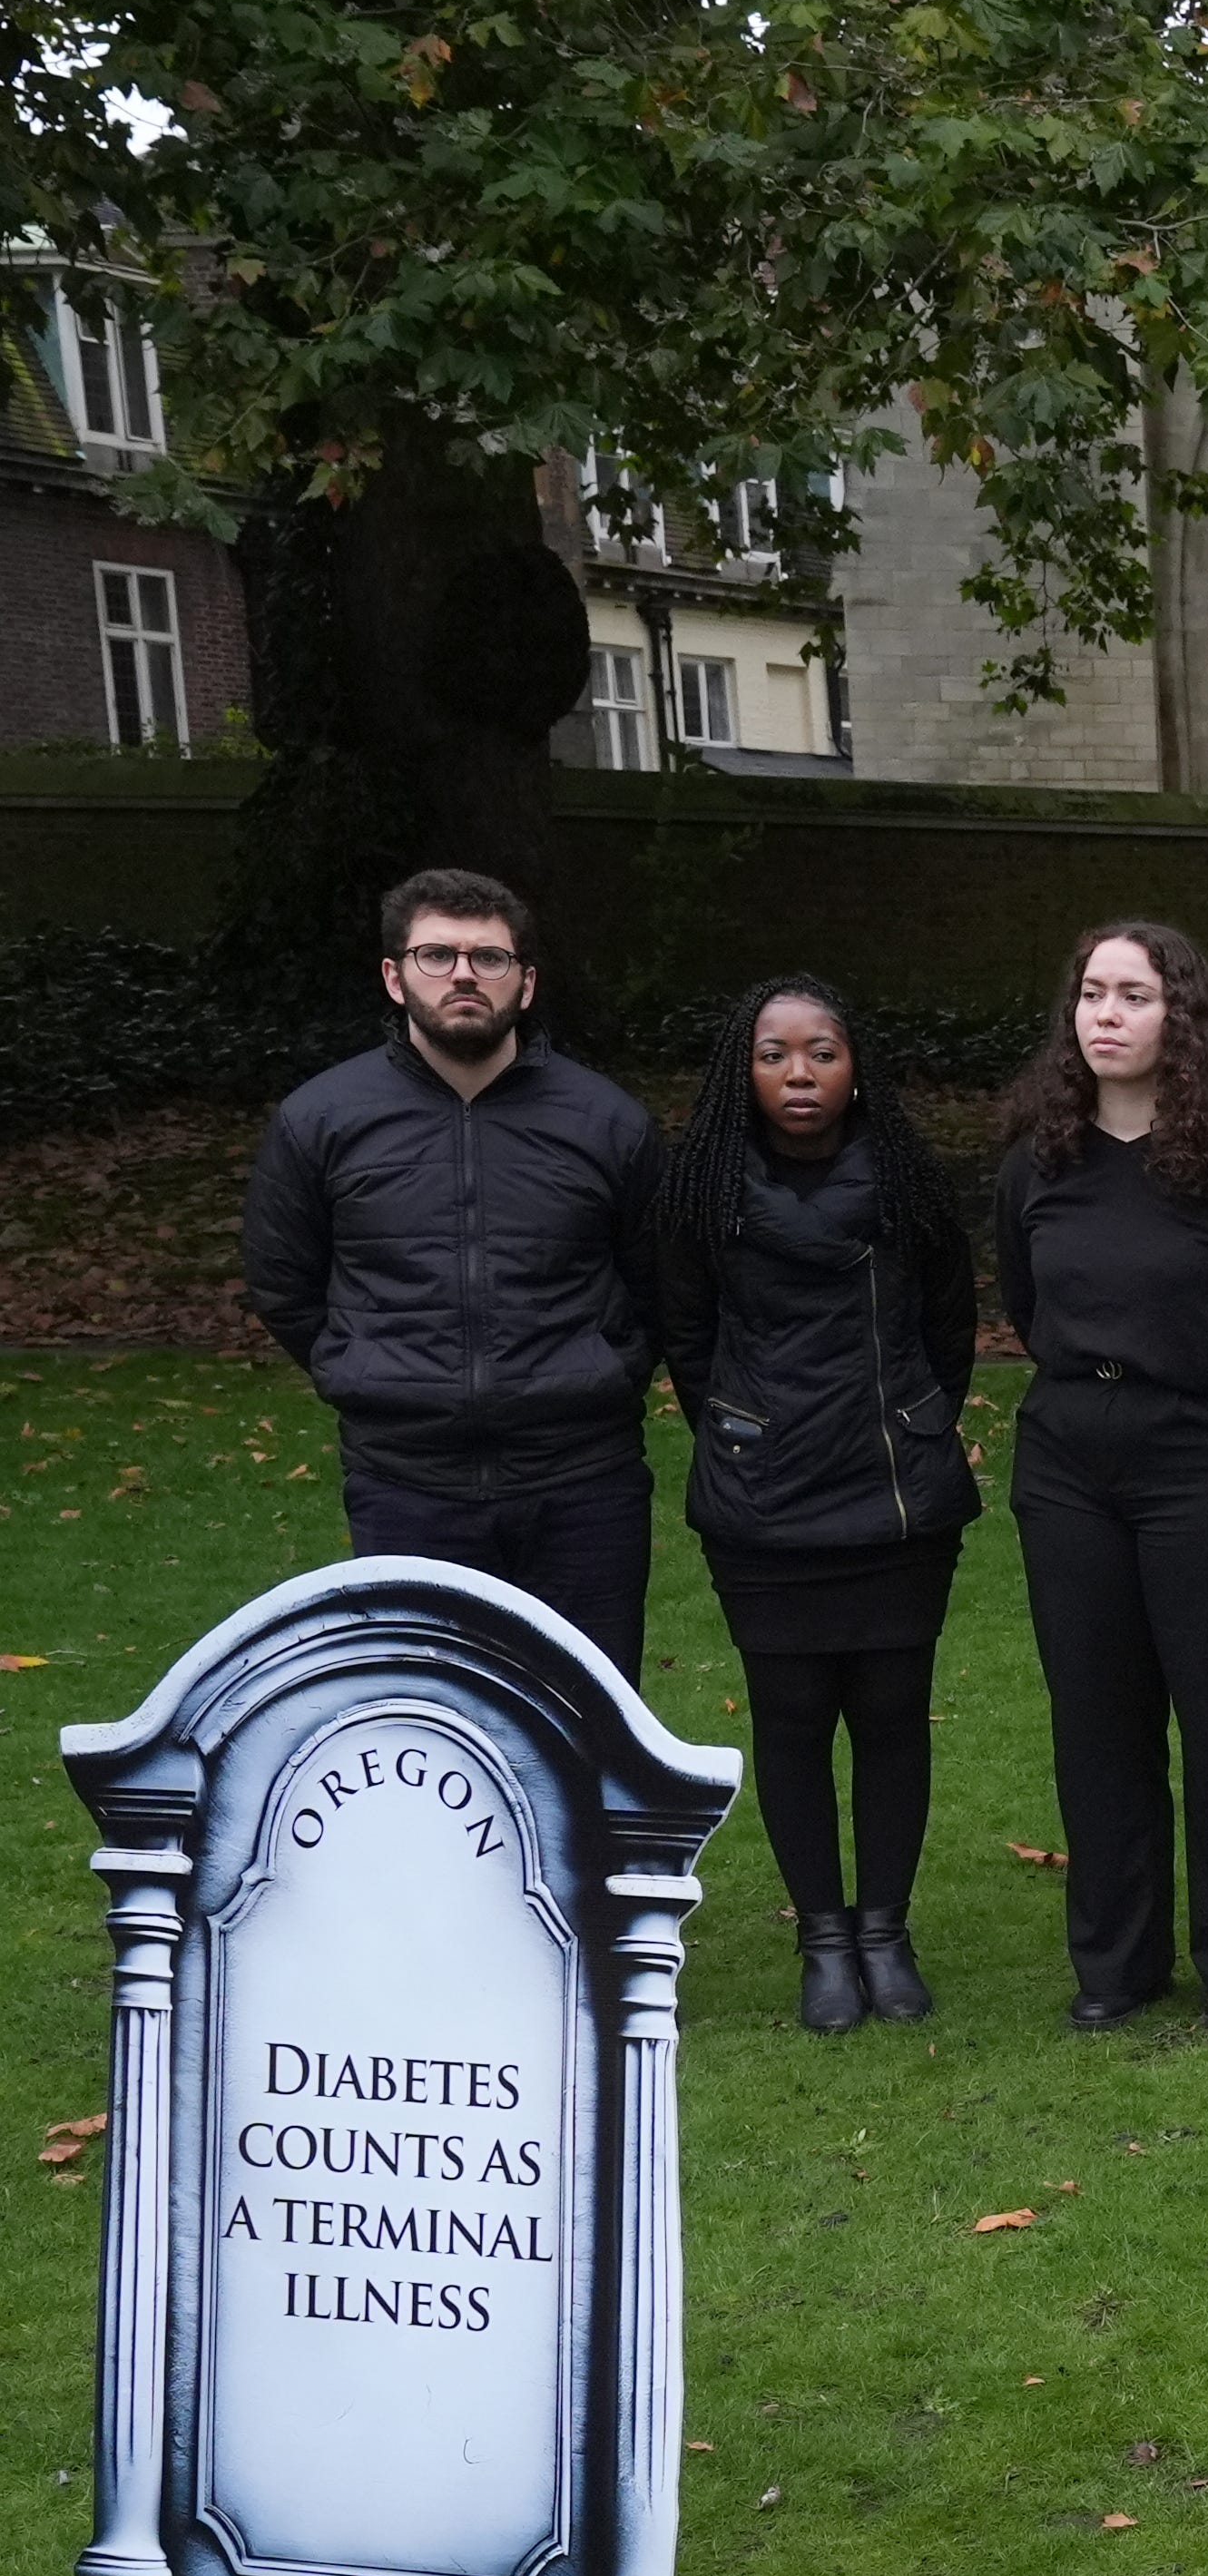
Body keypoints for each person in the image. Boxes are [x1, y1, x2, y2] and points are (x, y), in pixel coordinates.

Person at [994, 920, 1208, 2031]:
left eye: (1133, 995)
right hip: (1071, 1463)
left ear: (1181, 1015)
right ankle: (1117, 1966)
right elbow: (1028, 1310)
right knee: (1097, 1719)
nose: (1107, 1015)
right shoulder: (1039, 1163)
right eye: (1092, 993)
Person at [655, 977, 983, 2032]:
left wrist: (910, 1418)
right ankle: (825, 1942)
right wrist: (749, 1429)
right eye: (774, 1054)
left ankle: (885, 1931)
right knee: (793, 1721)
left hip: (896, 1497)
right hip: (764, 1501)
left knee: (891, 1716)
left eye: (824, 1052)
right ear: (741, 1073)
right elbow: (689, 1343)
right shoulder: (702, 1192)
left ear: (857, 1068)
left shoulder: (909, 1189)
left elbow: (950, 1328)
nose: (800, 1074)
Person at [239, 868, 667, 1673]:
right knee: (431, 1735)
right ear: (395, 977)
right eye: (438, 954)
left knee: (587, 1738)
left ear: (527, 983)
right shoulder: (321, 1121)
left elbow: (658, 1282)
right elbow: (285, 1283)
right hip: (406, 1489)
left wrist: (606, 1368)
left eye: (489, 958)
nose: (464, 974)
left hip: (583, 1487)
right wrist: (363, 1368)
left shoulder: (607, 1123)